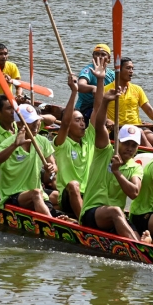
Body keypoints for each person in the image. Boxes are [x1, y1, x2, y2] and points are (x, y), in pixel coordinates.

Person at [79, 79, 143, 239]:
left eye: (134, 145)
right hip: (91, 213)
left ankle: (144, 244)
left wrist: (117, 172)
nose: (129, 148)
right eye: (126, 143)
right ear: (118, 142)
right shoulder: (105, 150)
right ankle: (141, 251)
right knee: (115, 211)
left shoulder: (135, 167)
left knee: (138, 228)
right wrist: (106, 101)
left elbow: (134, 193)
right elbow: (99, 125)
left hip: (115, 216)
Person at [0, 104, 57, 216]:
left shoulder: (42, 141)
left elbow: (53, 169)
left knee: (57, 196)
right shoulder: (9, 143)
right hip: (12, 193)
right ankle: (52, 226)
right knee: (36, 193)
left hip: (38, 193)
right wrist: (14, 146)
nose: (36, 124)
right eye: (31, 122)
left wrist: (50, 170)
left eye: (37, 120)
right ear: (19, 124)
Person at [52, 74, 96, 220]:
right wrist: (74, 92)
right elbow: (64, 123)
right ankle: (84, 223)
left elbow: (97, 111)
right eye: (78, 120)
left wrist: (100, 82)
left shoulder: (89, 138)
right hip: (68, 195)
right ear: (69, 125)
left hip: (88, 194)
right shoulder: (62, 143)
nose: (83, 123)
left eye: (83, 120)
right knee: (73, 184)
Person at [104, 57, 153, 147]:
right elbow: (99, 110)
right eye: (128, 68)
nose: (131, 71)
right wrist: (107, 120)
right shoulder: (106, 90)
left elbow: (149, 110)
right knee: (141, 134)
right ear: (118, 70)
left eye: (132, 68)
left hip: (137, 125)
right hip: (117, 128)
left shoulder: (137, 89)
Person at [77, 44, 115, 120]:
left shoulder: (112, 74)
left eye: (103, 54)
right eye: (97, 54)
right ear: (93, 57)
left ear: (109, 59)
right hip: (86, 107)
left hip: (105, 106)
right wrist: (93, 88)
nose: (100, 57)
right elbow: (80, 85)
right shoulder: (88, 70)